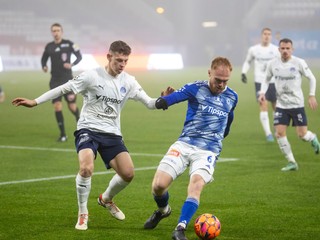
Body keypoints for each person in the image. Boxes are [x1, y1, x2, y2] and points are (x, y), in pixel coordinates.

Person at [12, 40, 174, 231]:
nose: (122, 65)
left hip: (112, 133)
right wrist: (35, 101)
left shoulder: (129, 81)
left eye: (125, 61)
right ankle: (83, 213)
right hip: (88, 129)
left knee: (128, 174)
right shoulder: (91, 76)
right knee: (86, 168)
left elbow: (149, 103)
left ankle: (106, 199)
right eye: (119, 60)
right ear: (108, 56)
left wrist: (164, 98)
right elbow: (64, 88)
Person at [144, 57, 238, 240]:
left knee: (196, 185)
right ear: (209, 73)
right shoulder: (195, 88)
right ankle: (163, 210)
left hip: (208, 151)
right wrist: (163, 100)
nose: (221, 84)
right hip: (185, 143)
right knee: (158, 186)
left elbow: (229, 118)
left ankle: (180, 228)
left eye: (225, 81)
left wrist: (220, 138)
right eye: (218, 79)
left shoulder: (232, 96)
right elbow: (174, 98)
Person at [258, 38, 320, 171]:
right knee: (279, 133)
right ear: (279, 49)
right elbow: (266, 79)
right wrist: (262, 92)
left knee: (302, 135)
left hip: (297, 104)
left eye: (288, 48)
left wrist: (311, 95)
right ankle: (292, 162)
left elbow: (312, 78)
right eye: (283, 48)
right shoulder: (272, 64)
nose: (285, 51)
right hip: (281, 105)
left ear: (292, 49)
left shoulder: (299, 62)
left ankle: (312, 137)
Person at [41, 23, 82, 142]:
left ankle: (80, 123)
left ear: (61, 32)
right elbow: (44, 58)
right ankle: (63, 134)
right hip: (54, 81)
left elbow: (79, 56)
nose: (56, 33)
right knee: (57, 106)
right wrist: (44, 66)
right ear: (51, 32)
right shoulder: (49, 46)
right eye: (53, 31)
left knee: (72, 106)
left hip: (68, 80)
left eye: (58, 30)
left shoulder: (69, 44)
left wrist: (72, 64)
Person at [241, 27, 280, 142]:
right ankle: (268, 134)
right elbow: (248, 61)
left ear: (271, 36)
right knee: (263, 105)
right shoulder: (253, 49)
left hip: (273, 81)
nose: (267, 36)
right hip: (259, 81)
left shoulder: (275, 49)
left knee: (275, 107)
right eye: (265, 34)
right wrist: (244, 72)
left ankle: (276, 128)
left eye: (269, 34)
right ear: (261, 36)